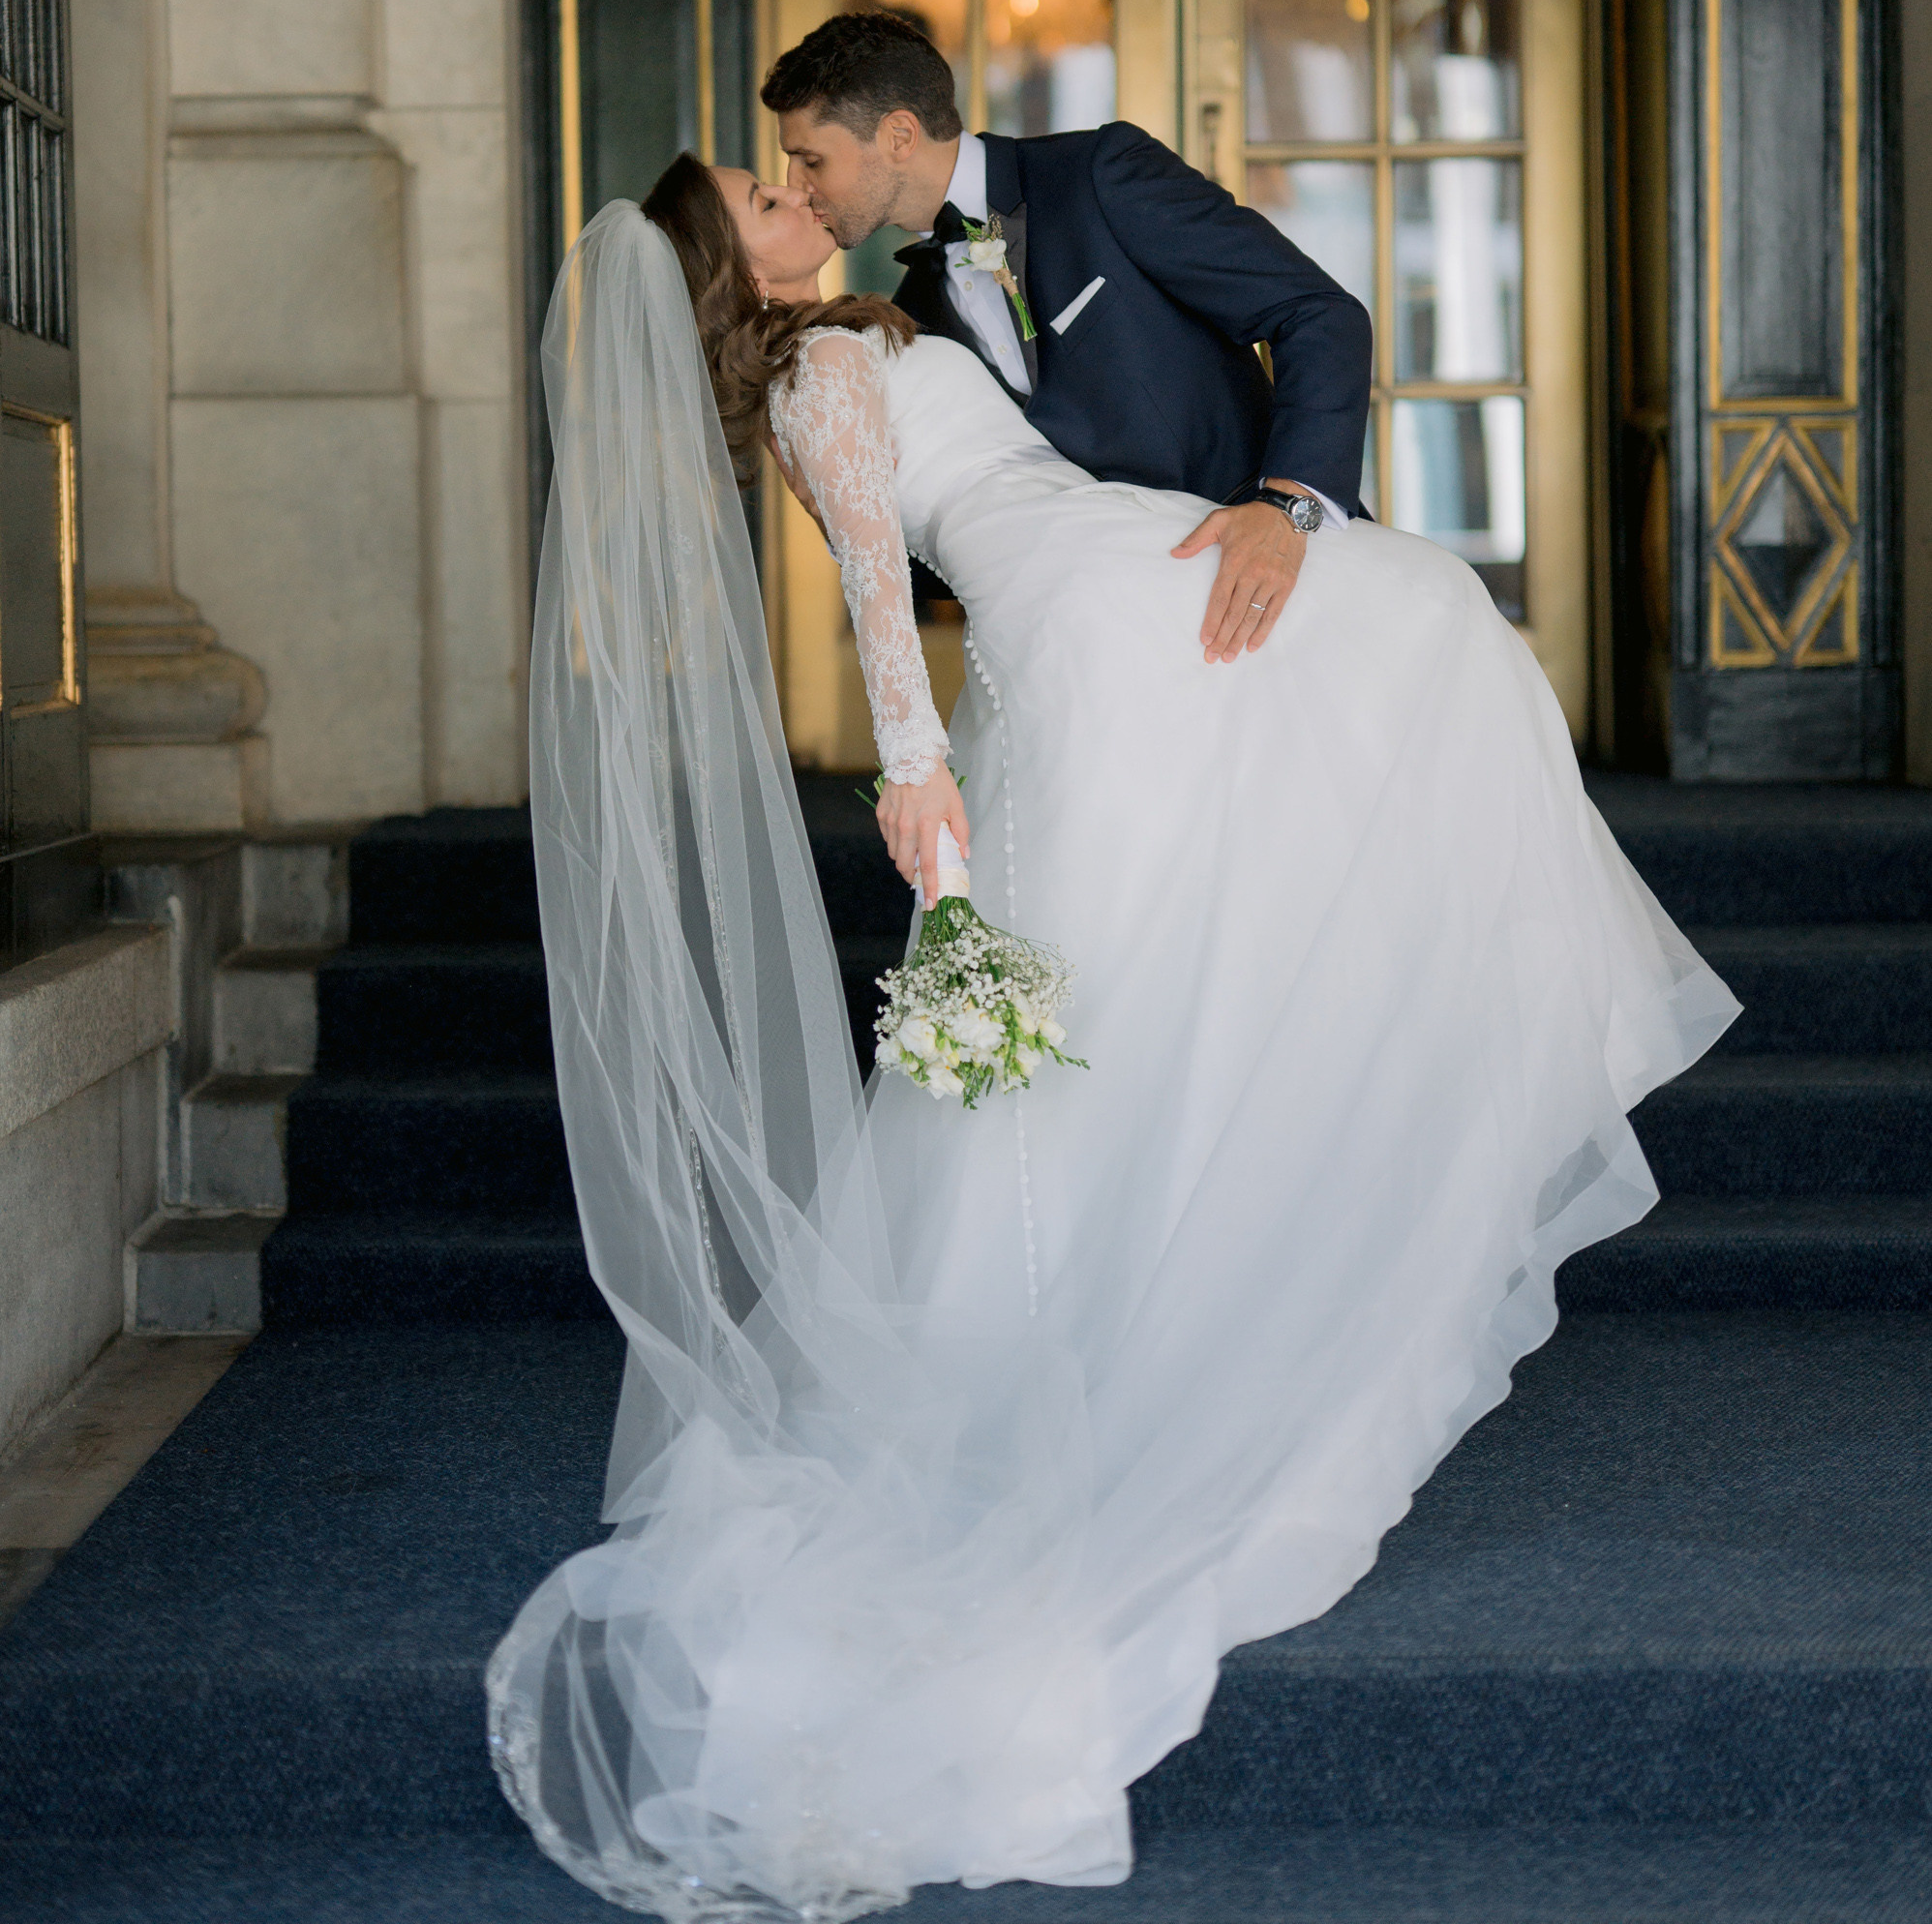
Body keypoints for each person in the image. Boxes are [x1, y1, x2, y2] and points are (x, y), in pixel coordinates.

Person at [489, 142, 1738, 1922]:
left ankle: (1259, 1185)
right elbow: (866, 573)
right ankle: (1205, 1265)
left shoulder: (865, 324)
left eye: (793, 169)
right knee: (1425, 621)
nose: (795, 194)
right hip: (1086, 615)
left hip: (1097, 586)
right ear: (740, 274)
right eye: (767, 199)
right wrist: (911, 780)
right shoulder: (824, 375)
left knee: (1277, 818)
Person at [762, 10, 1374, 900]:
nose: (800, 184)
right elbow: (968, 550)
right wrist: (840, 506)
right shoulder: (905, 320)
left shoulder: (1098, 175)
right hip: (1112, 684)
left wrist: (1289, 508)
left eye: (809, 158)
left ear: (897, 136)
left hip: (1262, 614)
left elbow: (1320, 316)